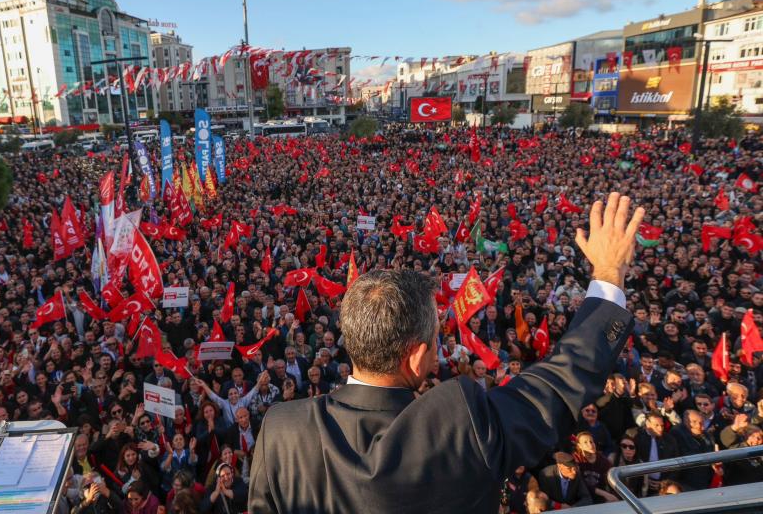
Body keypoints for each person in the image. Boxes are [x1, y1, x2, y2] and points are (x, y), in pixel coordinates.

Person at [249, 194, 644, 513]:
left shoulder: (281, 429)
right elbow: (561, 382)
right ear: (418, 357)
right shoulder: (465, 424)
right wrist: (608, 275)